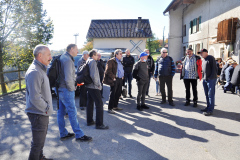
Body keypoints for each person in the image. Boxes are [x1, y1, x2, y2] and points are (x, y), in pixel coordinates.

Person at [58, 44, 92, 141]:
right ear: (71, 49)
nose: (78, 51)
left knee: (60, 112)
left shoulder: (62, 57)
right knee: (72, 112)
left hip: (60, 88)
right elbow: (69, 78)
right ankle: (79, 135)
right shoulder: (68, 60)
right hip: (66, 90)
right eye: (77, 49)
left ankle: (63, 133)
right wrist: (73, 88)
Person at [25, 44, 53, 160]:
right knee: (37, 144)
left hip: (41, 113)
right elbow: (35, 97)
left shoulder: (40, 69)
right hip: (38, 113)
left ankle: (40, 157)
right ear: (40, 55)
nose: (50, 57)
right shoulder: (35, 72)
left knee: (40, 142)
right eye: (48, 55)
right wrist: (46, 108)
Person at [85, 50, 109, 129]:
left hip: (89, 85)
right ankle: (99, 124)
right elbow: (93, 75)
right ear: (93, 55)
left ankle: (90, 121)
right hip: (93, 86)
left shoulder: (88, 60)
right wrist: (98, 85)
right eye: (96, 55)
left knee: (90, 103)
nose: (98, 57)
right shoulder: (92, 62)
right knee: (99, 104)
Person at [103, 49, 124, 114]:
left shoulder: (120, 61)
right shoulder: (111, 61)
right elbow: (108, 71)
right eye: (120, 54)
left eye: (121, 54)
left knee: (118, 93)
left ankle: (115, 106)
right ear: (116, 54)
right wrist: (113, 77)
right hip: (115, 79)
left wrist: (122, 76)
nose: (121, 55)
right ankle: (110, 108)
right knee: (113, 94)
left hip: (120, 79)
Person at [199, 49, 218, 116]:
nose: (201, 54)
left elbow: (214, 69)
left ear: (206, 52)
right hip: (205, 79)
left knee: (210, 95)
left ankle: (210, 110)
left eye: (202, 53)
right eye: (200, 53)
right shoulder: (204, 60)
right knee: (207, 94)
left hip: (211, 79)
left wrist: (211, 77)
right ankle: (208, 107)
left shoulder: (210, 58)